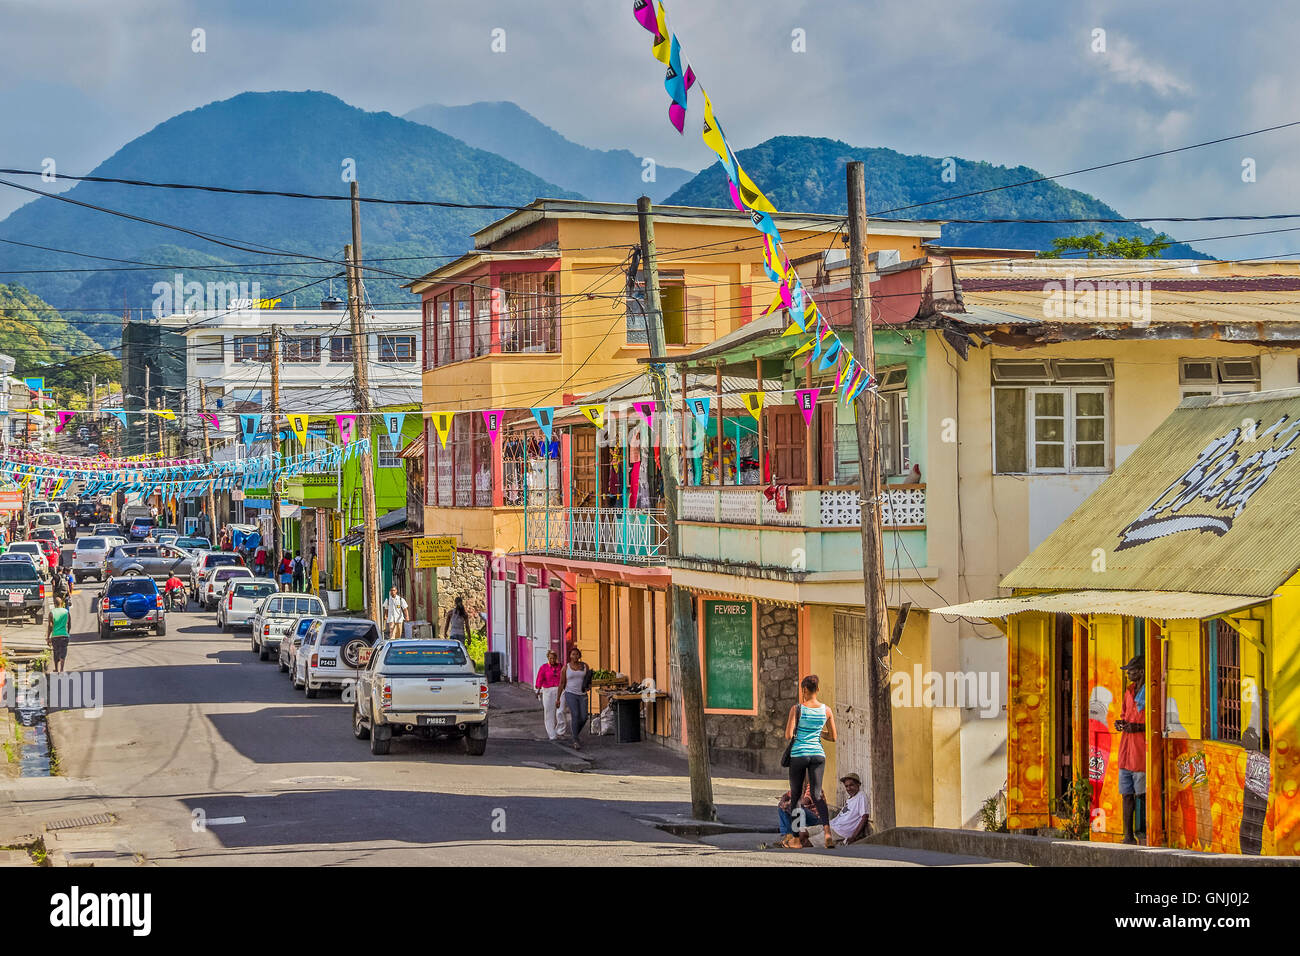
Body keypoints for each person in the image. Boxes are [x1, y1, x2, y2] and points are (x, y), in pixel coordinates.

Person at [785, 674, 837, 849]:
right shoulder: (826, 710)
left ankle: (796, 838)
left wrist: (801, 732)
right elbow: (833, 736)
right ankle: (828, 833)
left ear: (804, 690)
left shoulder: (797, 709)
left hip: (799, 755)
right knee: (817, 795)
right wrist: (817, 732)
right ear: (818, 690)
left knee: (796, 797)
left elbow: (788, 735)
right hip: (817, 755)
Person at [1115, 655, 1147, 845]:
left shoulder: (1149, 692)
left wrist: (1139, 728)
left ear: (1141, 671)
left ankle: (1150, 833)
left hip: (1140, 753)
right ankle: (1128, 836)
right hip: (1126, 752)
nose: (1129, 674)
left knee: (1143, 796)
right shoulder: (1129, 692)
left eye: (1132, 670)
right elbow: (1124, 714)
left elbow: (1154, 721)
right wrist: (1121, 723)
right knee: (1126, 795)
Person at [827, 772, 872, 845]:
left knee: (807, 840)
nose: (848, 788)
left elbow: (865, 817)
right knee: (804, 832)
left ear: (858, 785)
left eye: (851, 785)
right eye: (846, 786)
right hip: (832, 826)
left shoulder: (861, 796)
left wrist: (853, 837)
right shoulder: (850, 798)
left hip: (839, 831)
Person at [561, 646, 592, 750]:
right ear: (570, 656)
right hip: (570, 694)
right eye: (573, 654)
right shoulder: (566, 668)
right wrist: (558, 699)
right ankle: (575, 739)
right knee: (575, 715)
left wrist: (588, 686)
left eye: (577, 654)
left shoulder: (585, 666)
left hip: (582, 694)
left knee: (584, 717)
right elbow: (562, 683)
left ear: (580, 656)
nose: (575, 656)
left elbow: (588, 679)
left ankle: (575, 734)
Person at [777, 782, 822, 849]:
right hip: (803, 816)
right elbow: (787, 795)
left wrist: (791, 803)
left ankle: (792, 837)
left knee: (797, 807)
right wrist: (783, 802)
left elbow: (805, 801)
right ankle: (787, 836)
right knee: (782, 807)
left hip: (816, 819)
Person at [534, 649, 564, 741]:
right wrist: (538, 690)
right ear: (548, 658)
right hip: (548, 691)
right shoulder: (544, 668)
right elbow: (540, 679)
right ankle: (552, 734)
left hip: (560, 690)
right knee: (549, 712)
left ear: (556, 658)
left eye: (554, 658)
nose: (552, 660)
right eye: (550, 658)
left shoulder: (561, 666)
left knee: (560, 711)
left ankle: (560, 730)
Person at [46, 594, 71, 674]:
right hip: (64, 635)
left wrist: (48, 637)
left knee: (56, 652)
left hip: (55, 636)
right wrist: (67, 633)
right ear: (62, 603)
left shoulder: (51, 613)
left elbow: (50, 626)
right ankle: (62, 669)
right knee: (63, 652)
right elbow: (69, 624)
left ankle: (56, 668)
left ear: (54, 604)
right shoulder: (66, 612)